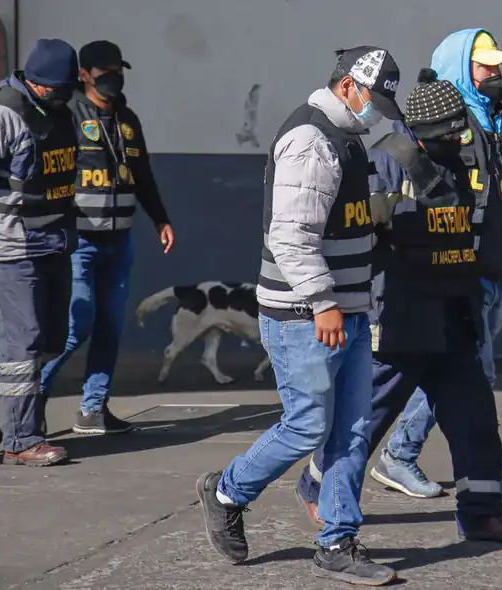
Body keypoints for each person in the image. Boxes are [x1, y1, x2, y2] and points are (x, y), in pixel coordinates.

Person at [294, 69, 502, 557]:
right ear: (423, 130)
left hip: (454, 315)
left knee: (475, 421)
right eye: (449, 130)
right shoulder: (387, 161)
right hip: (401, 317)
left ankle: (482, 514)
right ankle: (316, 487)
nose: (459, 138)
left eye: (461, 127)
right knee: (365, 420)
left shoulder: (462, 161)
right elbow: (357, 230)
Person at [197, 46, 404, 586]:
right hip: (305, 315)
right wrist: (324, 302)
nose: (377, 111)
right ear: (347, 88)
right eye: (374, 100)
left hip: (348, 311)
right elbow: (290, 237)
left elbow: (342, 223)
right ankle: (225, 491)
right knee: (309, 424)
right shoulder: (312, 142)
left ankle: (337, 542)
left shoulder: (346, 140)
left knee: (353, 430)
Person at [366, 29, 502, 519]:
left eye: (497, 67)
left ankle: (400, 455)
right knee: (472, 380)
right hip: (455, 279)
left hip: (492, 270)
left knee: (456, 379)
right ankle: (494, 490)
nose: (494, 74)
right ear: (457, 68)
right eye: (484, 66)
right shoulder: (443, 129)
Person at [0, 38, 79, 467]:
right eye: (55, 89)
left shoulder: (60, 112)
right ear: (36, 83)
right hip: (10, 242)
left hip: (54, 238)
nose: (62, 97)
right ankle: (22, 439)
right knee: (22, 342)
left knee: (51, 339)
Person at [39, 40, 175, 435]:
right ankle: (30, 402)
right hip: (79, 240)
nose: (113, 78)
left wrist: (160, 219)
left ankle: (93, 408)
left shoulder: (127, 118)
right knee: (75, 326)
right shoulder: (66, 116)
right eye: (105, 72)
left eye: (118, 70)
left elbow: (142, 174)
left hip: (120, 240)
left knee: (111, 326)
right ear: (84, 75)